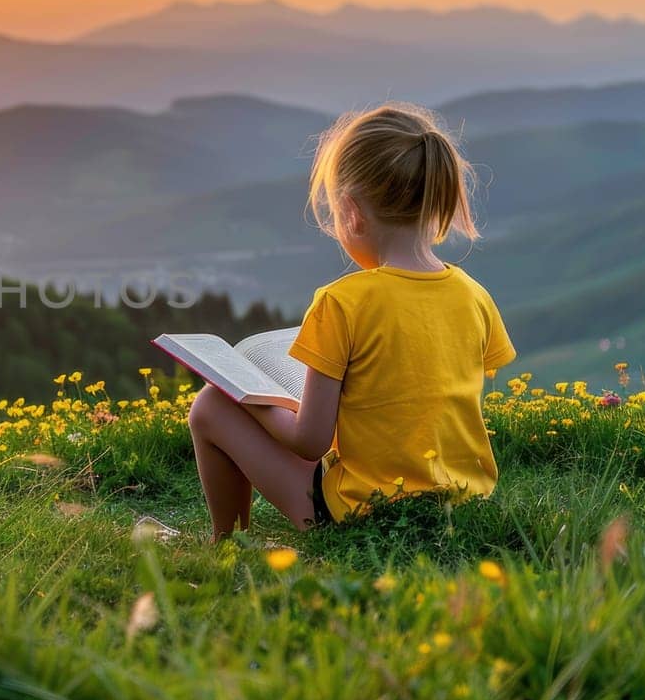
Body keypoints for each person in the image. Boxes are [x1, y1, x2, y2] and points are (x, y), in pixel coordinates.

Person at [188, 103, 517, 537]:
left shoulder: (342, 302)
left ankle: (227, 543)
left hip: (366, 516)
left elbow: (310, 442)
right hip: (462, 504)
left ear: (352, 212)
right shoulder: (474, 295)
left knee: (210, 406)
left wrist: (256, 400)